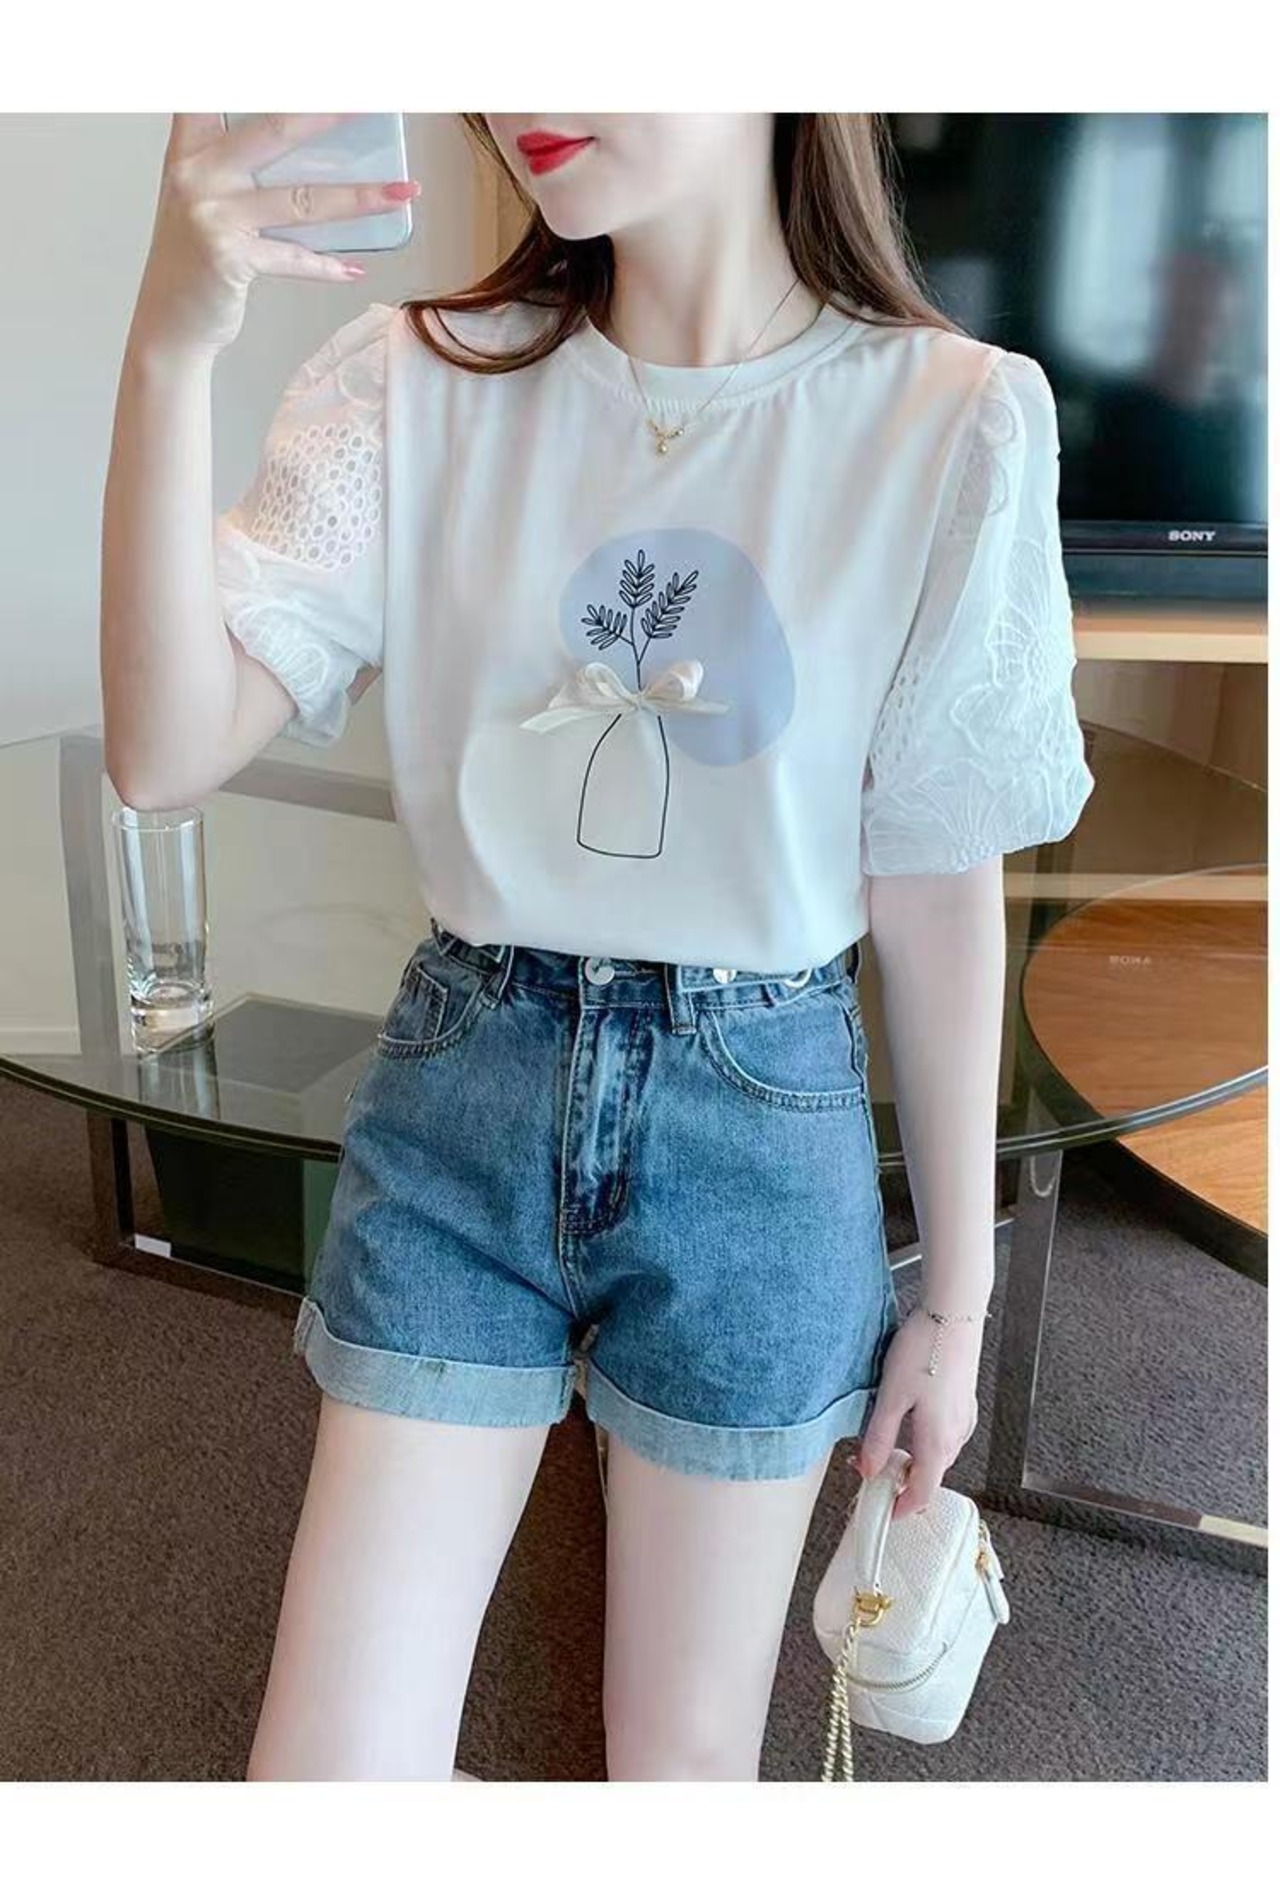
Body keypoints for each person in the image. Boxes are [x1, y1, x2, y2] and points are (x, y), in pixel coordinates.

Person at [99, 112, 1095, 1782]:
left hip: (761, 1128)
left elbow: (935, 886)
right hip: (464, 1097)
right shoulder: (412, 384)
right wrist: (170, 339)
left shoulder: (951, 419)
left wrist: (958, 1302)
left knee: (679, 1775)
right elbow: (161, 749)